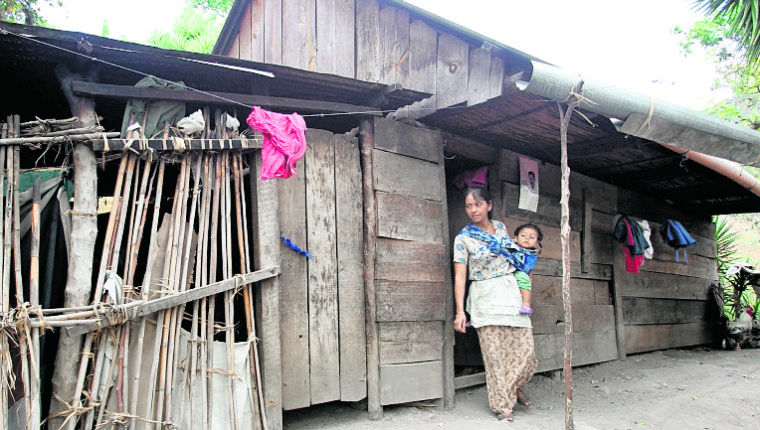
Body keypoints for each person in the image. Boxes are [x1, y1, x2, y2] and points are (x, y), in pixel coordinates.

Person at [453, 187, 538, 422]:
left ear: (489, 205)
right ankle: (503, 406)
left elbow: (514, 253)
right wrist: (460, 311)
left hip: (510, 294)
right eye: (469, 205)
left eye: (478, 204)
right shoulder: (463, 238)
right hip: (484, 296)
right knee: (494, 357)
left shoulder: (501, 228)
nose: (473, 210)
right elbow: (460, 276)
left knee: (526, 352)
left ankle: (513, 386)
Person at [513, 223, 543, 315]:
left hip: (518, 272)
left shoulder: (531, 255)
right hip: (504, 271)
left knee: (523, 277)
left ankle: (526, 304)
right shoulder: (510, 246)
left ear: (536, 242)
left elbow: (526, 268)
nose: (527, 239)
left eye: (532, 237)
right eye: (523, 235)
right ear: (516, 237)